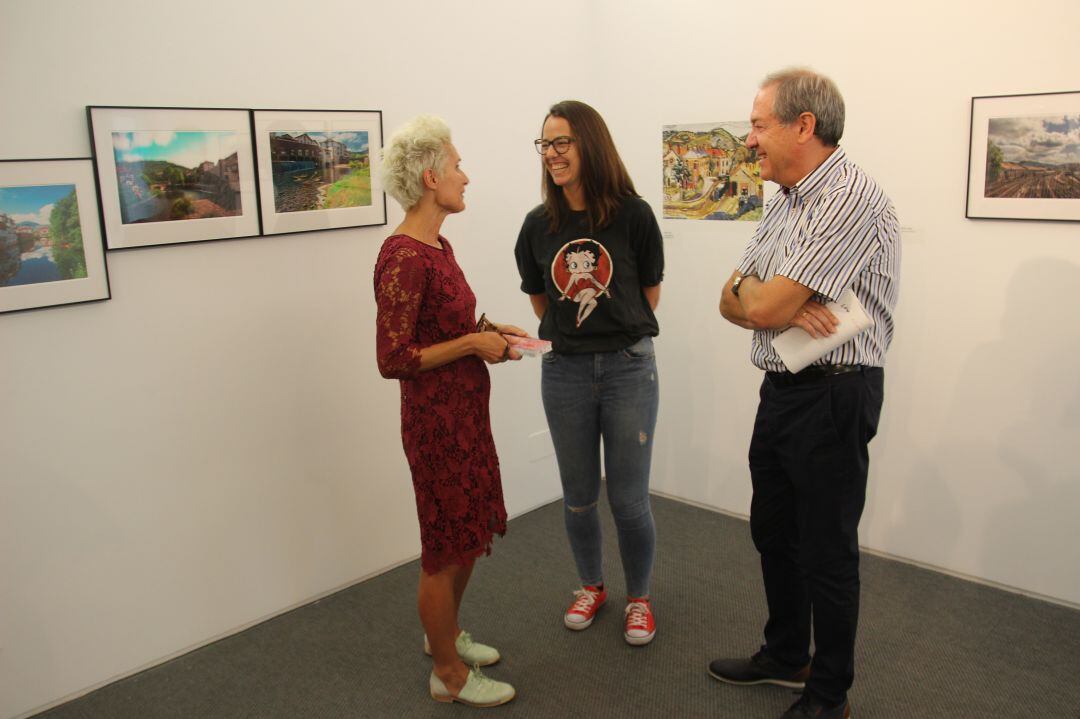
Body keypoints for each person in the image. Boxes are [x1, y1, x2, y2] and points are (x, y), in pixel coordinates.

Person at [711, 68, 901, 719]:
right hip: (784, 390)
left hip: (834, 393)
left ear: (803, 125)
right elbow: (731, 297)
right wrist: (768, 302)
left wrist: (768, 302)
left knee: (826, 548)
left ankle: (829, 694)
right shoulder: (785, 199)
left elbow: (763, 302)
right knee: (774, 531)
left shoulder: (848, 195)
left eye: (760, 123)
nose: (751, 138)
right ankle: (787, 652)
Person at [374, 115, 525, 708]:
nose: (467, 176)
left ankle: (448, 635)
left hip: (465, 416)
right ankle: (447, 674)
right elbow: (393, 357)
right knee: (442, 548)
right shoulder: (403, 257)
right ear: (431, 176)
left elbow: (448, 325)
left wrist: (489, 331)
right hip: (435, 424)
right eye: (458, 165)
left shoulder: (439, 244)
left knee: (465, 536)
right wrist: (470, 345)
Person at [514, 100, 665, 646]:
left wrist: (607, 331)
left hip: (629, 368)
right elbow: (540, 299)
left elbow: (648, 292)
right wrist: (576, 337)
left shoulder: (634, 215)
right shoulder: (537, 225)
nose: (551, 155)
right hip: (565, 372)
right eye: (545, 144)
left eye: (562, 143)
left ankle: (640, 598)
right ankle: (592, 585)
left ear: (590, 145)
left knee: (628, 499)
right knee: (577, 495)